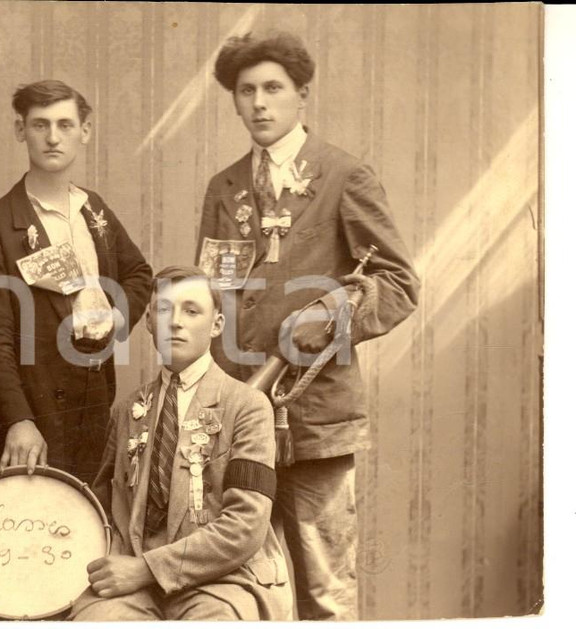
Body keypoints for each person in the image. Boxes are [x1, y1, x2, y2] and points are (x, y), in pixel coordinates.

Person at [197, 32, 421, 620]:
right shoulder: (222, 188)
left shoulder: (344, 175)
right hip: (239, 418)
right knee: (244, 581)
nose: (259, 103)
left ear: (302, 95)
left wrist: (331, 315)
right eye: (246, 91)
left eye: (273, 88)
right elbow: (214, 292)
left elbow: (399, 284)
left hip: (315, 417)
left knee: (324, 587)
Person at [71, 266, 292, 621]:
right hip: (134, 583)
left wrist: (149, 568)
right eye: (163, 310)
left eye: (191, 311)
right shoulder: (128, 410)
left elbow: (245, 525)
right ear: (148, 322)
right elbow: (104, 511)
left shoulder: (248, 406)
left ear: (217, 324)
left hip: (223, 579)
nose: (175, 322)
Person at [0, 80, 152, 483]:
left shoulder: (94, 211)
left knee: (89, 525)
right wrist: (18, 420)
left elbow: (139, 275)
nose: (53, 137)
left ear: (84, 131)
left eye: (65, 125)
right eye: (40, 125)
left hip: (93, 404)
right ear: (21, 131)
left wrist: (115, 317)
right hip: (31, 412)